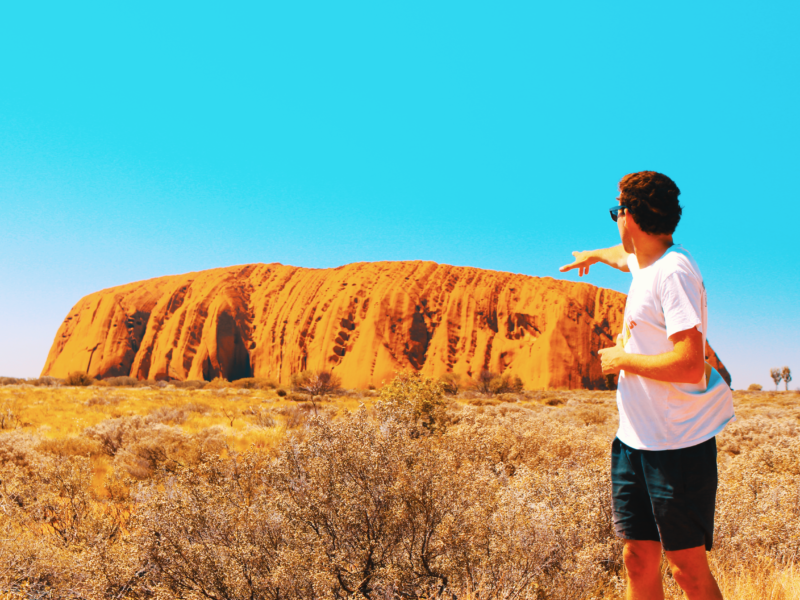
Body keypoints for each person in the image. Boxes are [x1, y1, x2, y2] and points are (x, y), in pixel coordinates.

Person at [560, 171, 735, 600]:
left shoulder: (673, 273)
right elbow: (623, 256)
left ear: (630, 215)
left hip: (676, 446)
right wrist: (593, 255)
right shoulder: (645, 263)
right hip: (634, 442)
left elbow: (690, 364)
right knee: (637, 557)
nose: (615, 220)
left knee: (686, 569)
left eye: (616, 211)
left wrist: (623, 360)